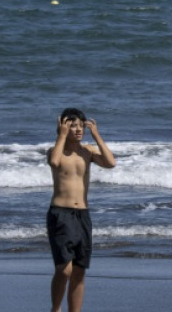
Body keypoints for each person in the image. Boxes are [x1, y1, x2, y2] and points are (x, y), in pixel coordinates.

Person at [46, 108, 116, 312]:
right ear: (63, 127)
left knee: (79, 271)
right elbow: (54, 162)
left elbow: (111, 163)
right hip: (61, 214)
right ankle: (55, 309)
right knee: (64, 269)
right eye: (72, 125)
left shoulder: (88, 152)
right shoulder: (55, 150)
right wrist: (61, 136)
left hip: (82, 216)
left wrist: (96, 136)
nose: (77, 130)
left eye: (80, 126)